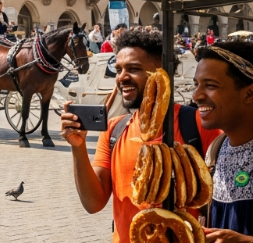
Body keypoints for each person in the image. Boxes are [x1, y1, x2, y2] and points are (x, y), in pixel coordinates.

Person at [60, 29, 222, 243]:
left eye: (133, 69)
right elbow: (93, 203)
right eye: (118, 70)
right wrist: (77, 146)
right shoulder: (114, 130)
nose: (122, 78)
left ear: (161, 74)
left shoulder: (199, 125)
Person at [192, 42, 253, 240]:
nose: (196, 96)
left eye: (210, 86)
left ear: (249, 93)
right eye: (196, 85)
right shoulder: (215, 150)